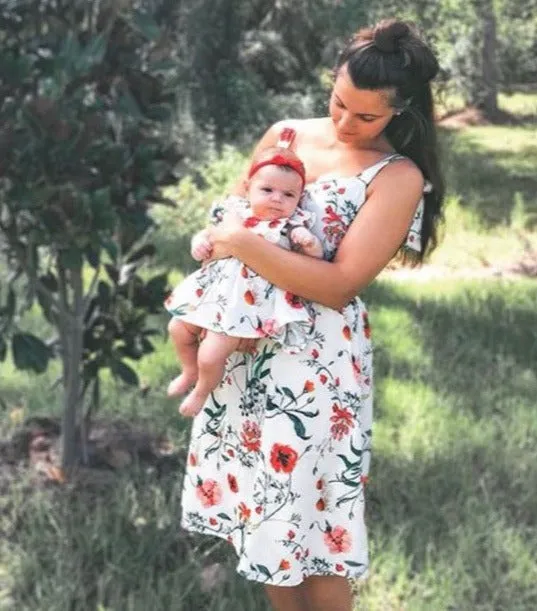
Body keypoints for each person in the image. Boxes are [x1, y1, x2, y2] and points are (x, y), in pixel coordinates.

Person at [178, 18, 444, 611]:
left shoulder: (397, 176)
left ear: (401, 113)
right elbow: (232, 215)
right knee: (265, 519)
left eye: (367, 117)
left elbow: (337, 284)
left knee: (317, 526)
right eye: (338, 103)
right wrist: (207, 306)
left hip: (316, 366)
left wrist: (247, 247)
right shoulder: (287, 135)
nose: (346, 124)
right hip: (245, 341)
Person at [165, 146, 323, 417]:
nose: (277, 200)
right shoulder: (234, 213)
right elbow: (208, 235)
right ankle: (189, 371)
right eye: (267, 190)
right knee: (177, 328)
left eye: (288, 195)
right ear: (249, 188)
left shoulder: (290, 225)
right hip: (211, 294)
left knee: (211, 354)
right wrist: (199, 244)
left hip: (246, 304)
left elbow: (315, 254)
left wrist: (309, 243)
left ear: (300, 198)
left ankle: (201, 391)